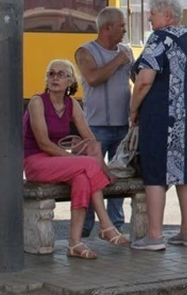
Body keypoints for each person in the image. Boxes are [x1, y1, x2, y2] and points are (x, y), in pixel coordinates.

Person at [129, 0, 187, 251]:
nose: (149, 18)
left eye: (153, 14)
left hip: (161, 113)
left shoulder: (160, 38)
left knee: (155, 173)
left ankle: (155, 236)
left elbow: (145, 79)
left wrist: (133, 109)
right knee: (186, 173)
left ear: (167, 16)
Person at [23, 59, 129, 259]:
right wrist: (73, 159)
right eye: (51, 74)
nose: (55, 78)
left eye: (61, 74)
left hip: (58, 163)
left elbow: (91, 140)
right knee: (87, 164)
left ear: (71, 81)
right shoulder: (37, 101)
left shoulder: (72, 104)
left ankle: (74, 243)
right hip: (35, 161)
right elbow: (44, 143)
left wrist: (104, 170)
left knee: (82, 178)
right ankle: (106, 225)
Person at [74, 7, 133, 237]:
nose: (125, 31)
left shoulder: (127, 52)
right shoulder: (85, 52)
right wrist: (118, 60)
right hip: (94, 128)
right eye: (122, 26)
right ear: (107, 27)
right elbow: (93, 78)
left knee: (119, 176)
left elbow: (137, 80)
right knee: (90, 178)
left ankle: (116, 226)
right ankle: (86, 227)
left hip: (123, 125)